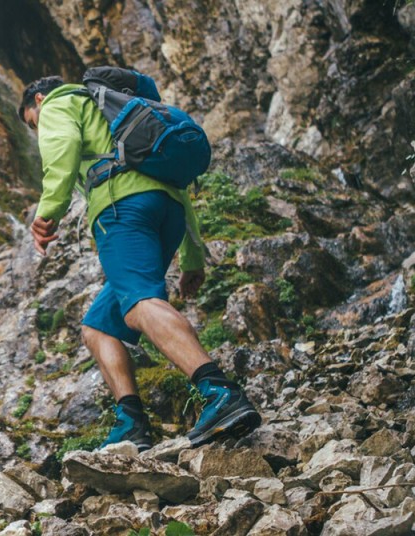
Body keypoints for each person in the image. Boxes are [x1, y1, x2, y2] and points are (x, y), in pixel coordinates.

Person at [18, 76, 260, 450]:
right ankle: (131, 423)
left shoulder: (59, 103)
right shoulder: (113, 117)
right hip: (167, 212)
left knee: (139, 305)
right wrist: (193, 257)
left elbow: (62, 147)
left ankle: (219, 392)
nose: (38, 131)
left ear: (38, 98)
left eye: (33, 123)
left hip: (121, 208)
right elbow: (177, 188)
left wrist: (48, 212)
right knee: (99, 327)